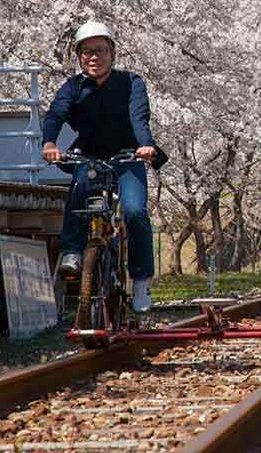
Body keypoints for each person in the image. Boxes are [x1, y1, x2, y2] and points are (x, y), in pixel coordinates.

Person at [42, 20, 166, 313]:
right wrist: (49, 143)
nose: (93, 57)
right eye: (86, 52)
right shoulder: (73, 87)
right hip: (90, 156)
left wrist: (145, 146)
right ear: (79, 57)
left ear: (112, 53)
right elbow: (55, 115)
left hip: (128, 157)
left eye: (100, 50)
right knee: (79, 190)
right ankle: (72, 252)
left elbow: (139, 117)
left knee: (135, 210)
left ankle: (140, 279)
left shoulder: (131, 83)